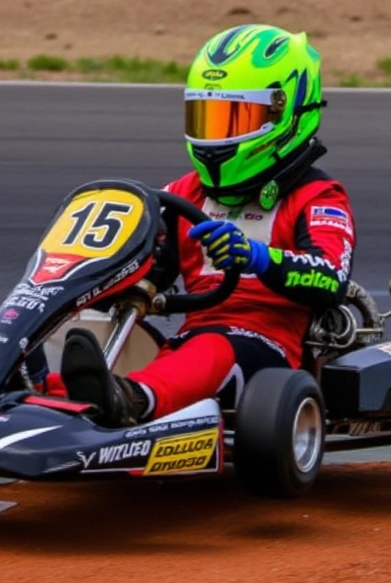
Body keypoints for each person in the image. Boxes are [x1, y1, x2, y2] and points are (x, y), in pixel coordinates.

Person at [58, 24, 356, 427]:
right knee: (92, 330)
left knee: (210, 350)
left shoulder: (318, 196)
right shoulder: (184, 192)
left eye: (235, 118)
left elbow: (331, 280)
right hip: (190, 340)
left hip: (268, 354)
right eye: (208, 118)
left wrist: (256, 256)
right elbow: (152, 270)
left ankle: (134, 401)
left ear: (285, 114)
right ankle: (31, 386)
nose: (216, 137)